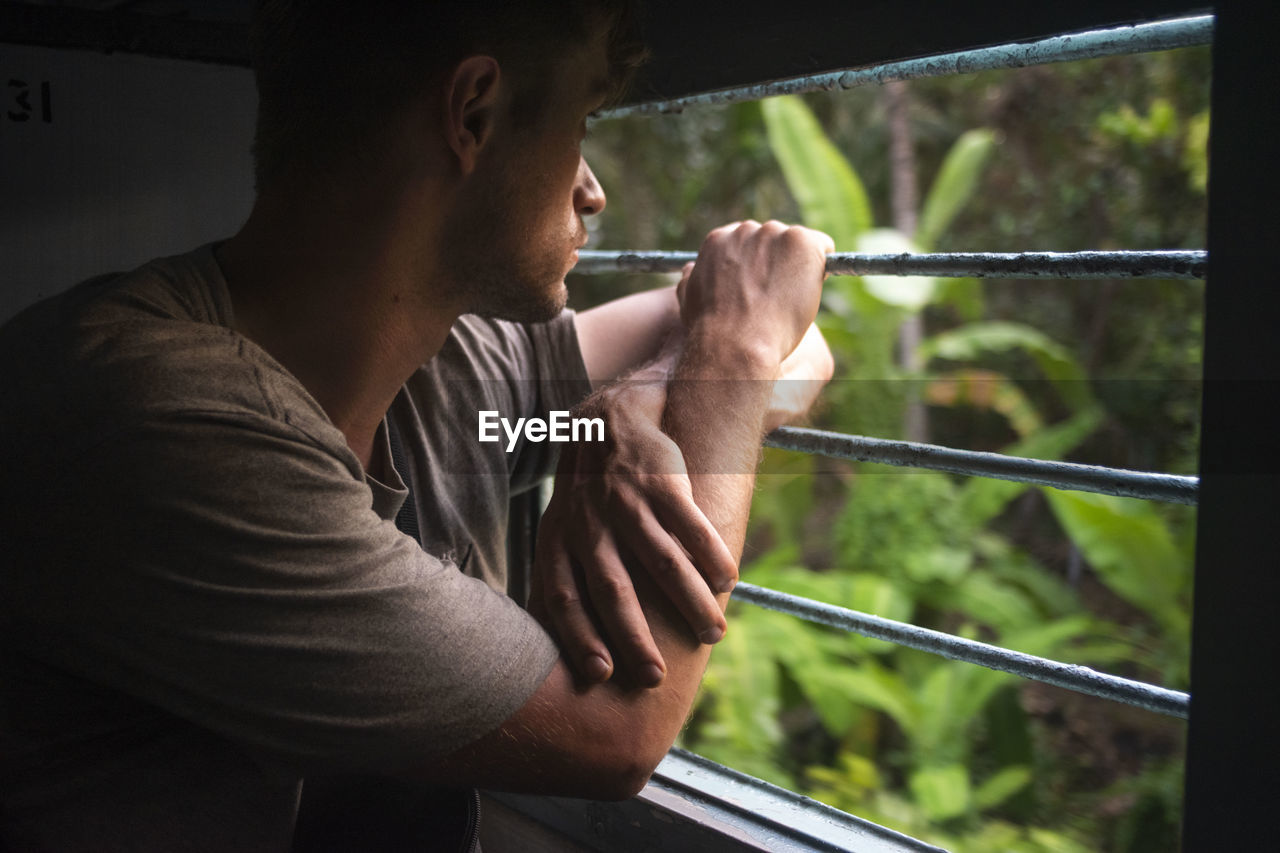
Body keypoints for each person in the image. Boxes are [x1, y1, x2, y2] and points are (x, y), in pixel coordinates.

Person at [0, 1, 834, 850]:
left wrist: (613, 411)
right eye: (579, 124)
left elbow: (791, 332)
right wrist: (726, 351)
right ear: (472, 115)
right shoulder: (156, 417)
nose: (594, 189)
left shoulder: (445, 358)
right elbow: (617, 731)